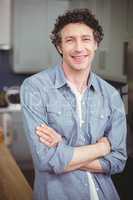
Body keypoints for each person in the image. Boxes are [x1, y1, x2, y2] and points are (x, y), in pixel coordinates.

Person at [20, 8, 127, 200]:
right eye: (70, 40)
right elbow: (45, 159)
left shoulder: (111, 95)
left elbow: (118, 161)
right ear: (60, 47)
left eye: (86, 39)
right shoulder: (35, 87)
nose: (79, 48)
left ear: (96, 44)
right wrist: (102, 149)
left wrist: (63, 147)